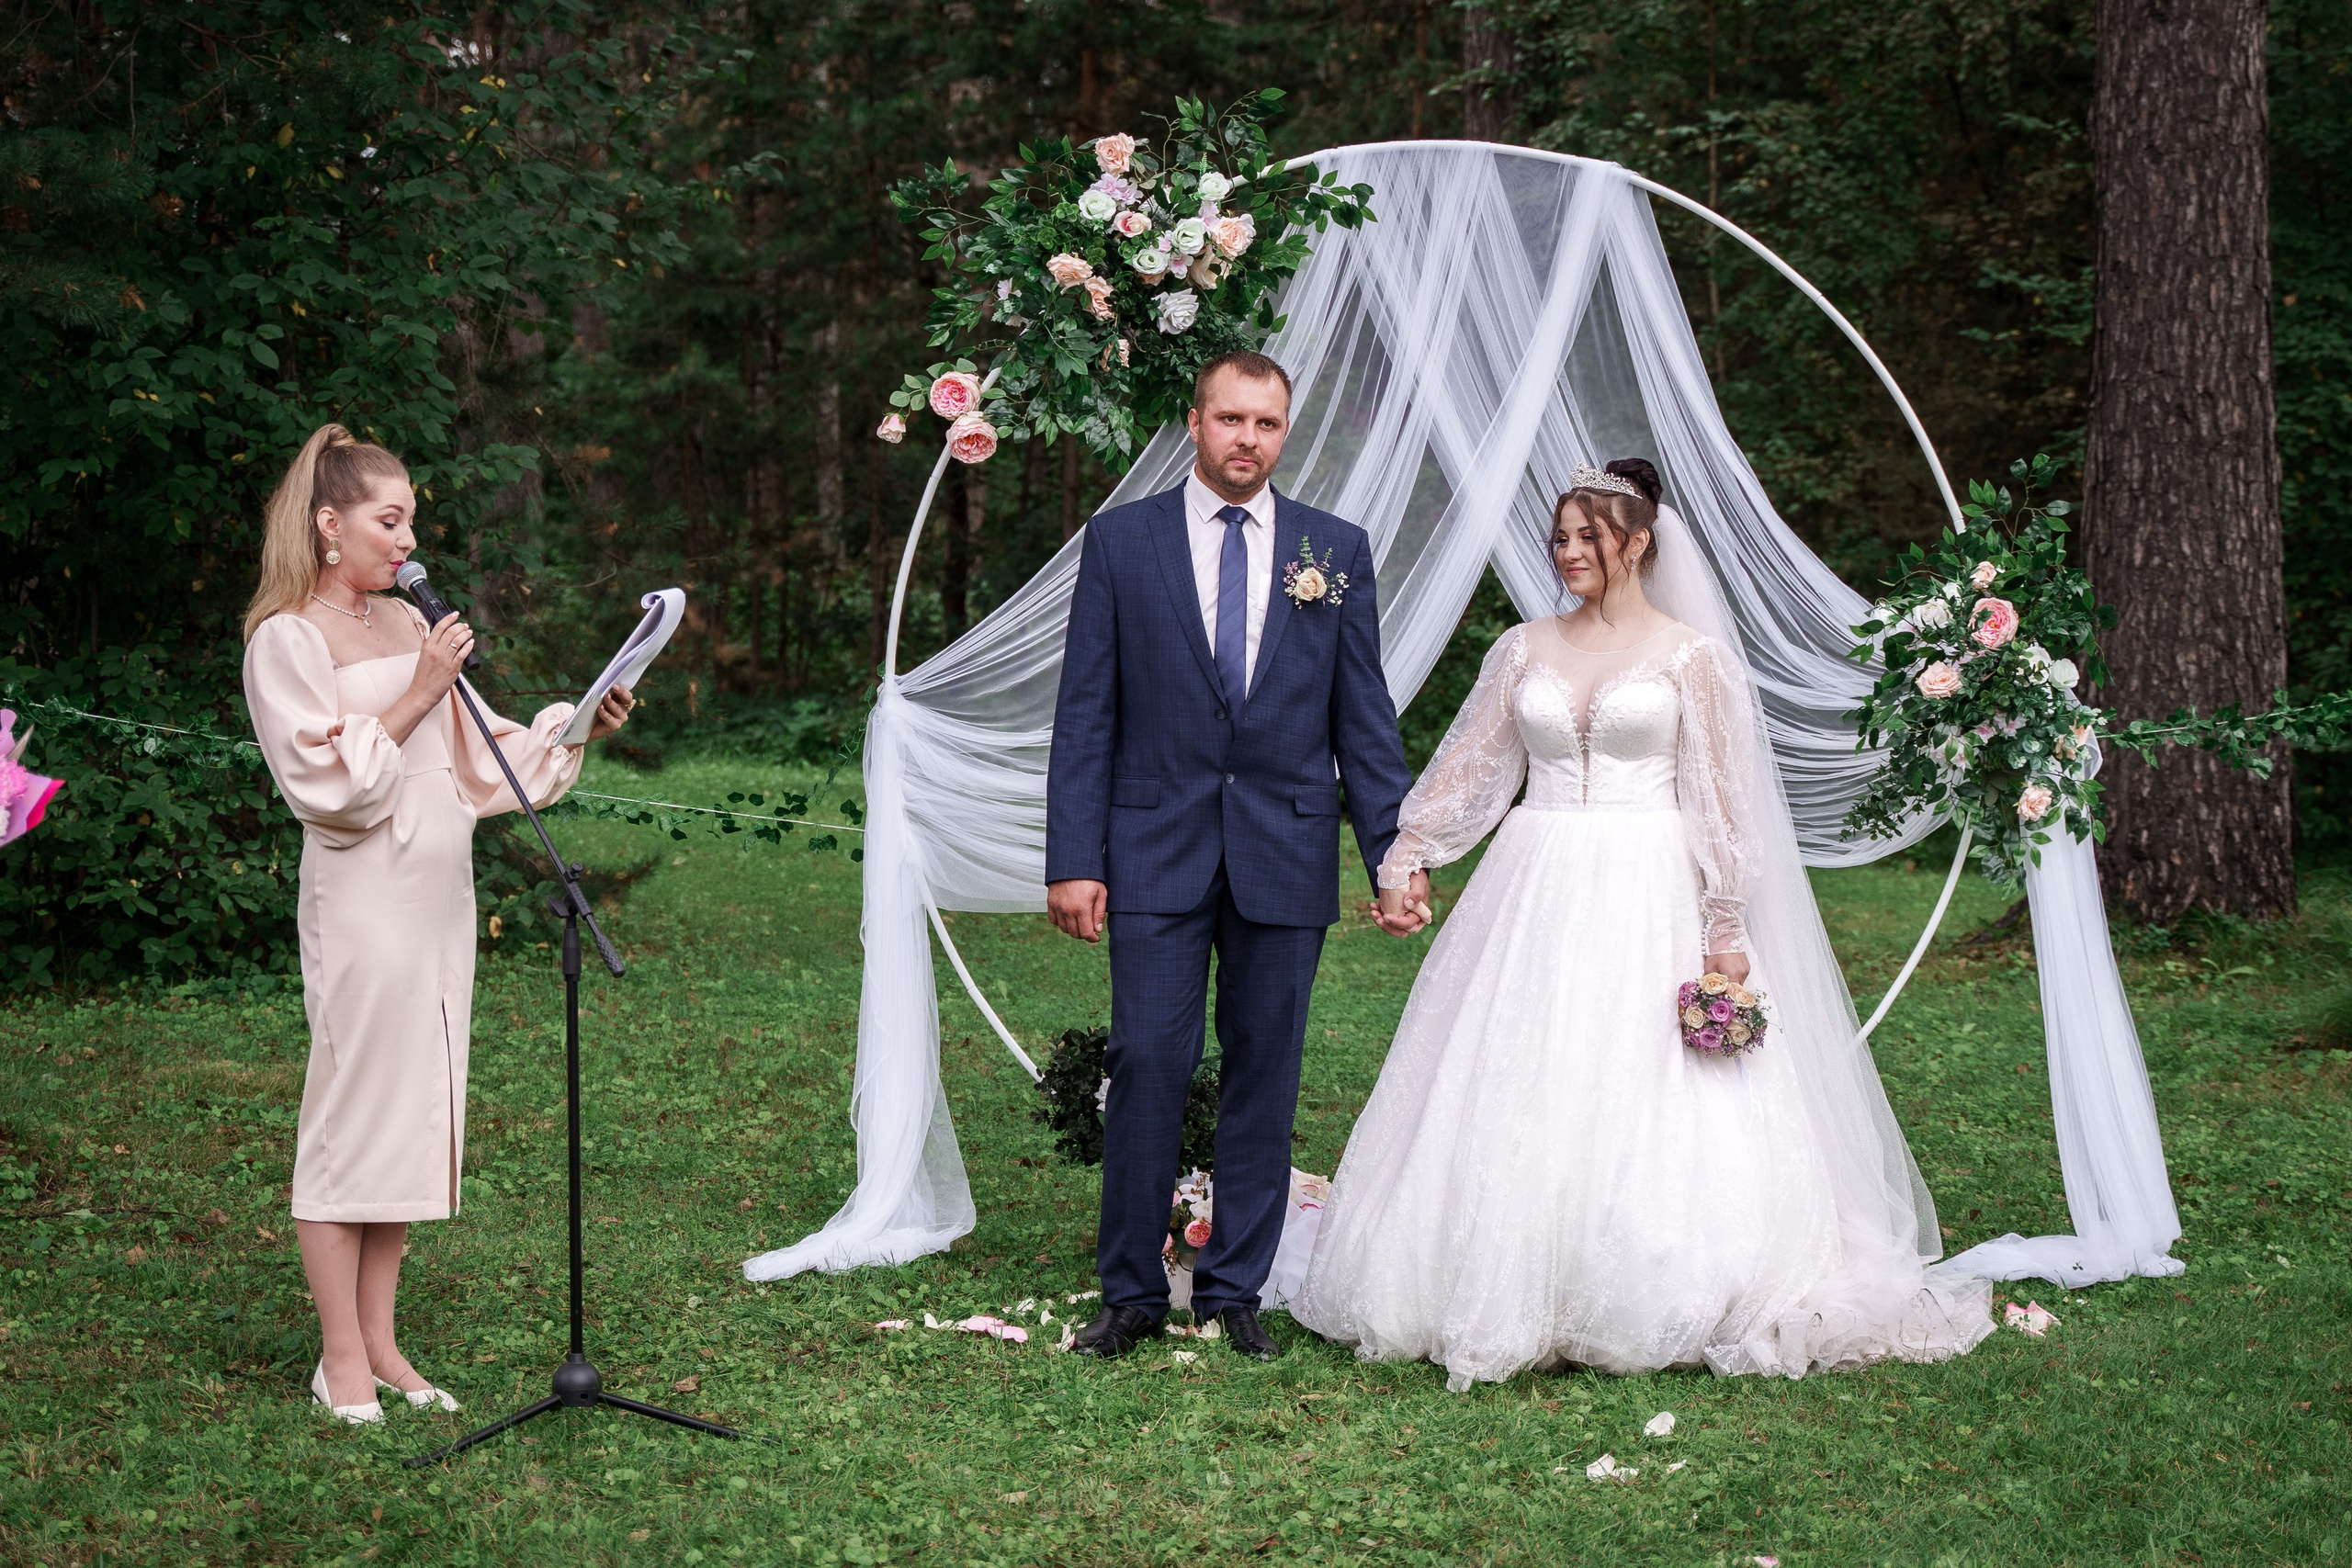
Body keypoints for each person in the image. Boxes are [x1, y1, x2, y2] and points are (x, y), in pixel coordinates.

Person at [1291, 458, 1995, 1389]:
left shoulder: (1689, 658)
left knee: (1646, 1080)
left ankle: (1652, 1276)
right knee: (1519, 1072)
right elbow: (1473, 766)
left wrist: (1724, 922)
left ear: (1637, 542)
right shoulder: (1522, 648)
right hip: (1533, 876)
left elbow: (1720, 799)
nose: (1570, 552)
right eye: (1560, 537)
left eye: (1589, 537)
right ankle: (1507, 1272)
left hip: (1647, 880)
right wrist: (1407, 853)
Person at [241, 424, 634, 1423]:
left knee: (413, 1116)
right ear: (330, 526)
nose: (408, 537)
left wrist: (580, 719)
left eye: (410, 517)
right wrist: (420, 688)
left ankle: (382, 1346)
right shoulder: (287, 637)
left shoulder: (407, 625)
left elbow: (485, 753)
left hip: (436, 896)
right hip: (364, 898)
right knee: (351, 1121)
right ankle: (336, 1361)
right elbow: (328, 785)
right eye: (389, 518)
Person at [1045, 352, 1424, 1360]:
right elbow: (1086, 712)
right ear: (1195, 423)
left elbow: (1365, 722)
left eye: (1265, 423)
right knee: (1149, 1061)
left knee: (1266, 1070)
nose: (1246, 439)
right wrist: (1073, 856)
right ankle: (1130, 1290)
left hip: (1285, 853)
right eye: (1229, 420)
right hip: (1151, 848)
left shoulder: (1331, 550)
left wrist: (1392, 857)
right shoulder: (1122, 543)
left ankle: (1232, 1291)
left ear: (1283, 432)